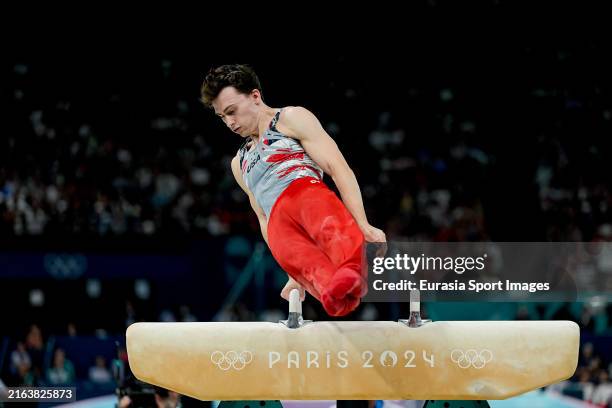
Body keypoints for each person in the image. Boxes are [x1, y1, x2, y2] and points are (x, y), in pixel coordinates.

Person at [201, 64, 386, 316]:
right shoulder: (239, 163)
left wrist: (363, 224)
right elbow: (263, 218)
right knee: (301, 260)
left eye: (232, 111)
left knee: (327, 223)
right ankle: (333, 291)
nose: (230, 122)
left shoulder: (289, 119)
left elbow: (338, 168)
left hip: (303, 194)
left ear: (255, 96)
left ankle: (351, 269)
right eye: (222, 117)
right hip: (278, 223)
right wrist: (291, 274)